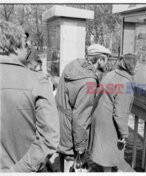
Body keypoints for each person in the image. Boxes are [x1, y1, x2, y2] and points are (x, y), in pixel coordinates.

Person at [0, 21, 60, 172]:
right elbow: (49, 139)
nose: (29, 48)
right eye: (25, 44)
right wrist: (18, 171)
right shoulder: (37, 81)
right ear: (14, 47)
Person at [55, 44, 111, 172]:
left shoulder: (73, 65)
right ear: (100, 59)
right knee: (72, 166)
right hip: (71, 131)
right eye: (106, 59)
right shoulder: (89, 82)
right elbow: (81, 119)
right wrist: (81, 148)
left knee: (64, 159)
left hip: (62, 124)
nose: (107, 64)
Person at [89, 53, 139, 172]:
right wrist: (124, 134)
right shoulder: (125, 83)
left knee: (104, 153)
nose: (138, 68)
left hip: (99, 116)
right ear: (130, 66)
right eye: (137, 65)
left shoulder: (112, 74)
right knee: (108, 155)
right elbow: (120, 114)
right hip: (108, 123)